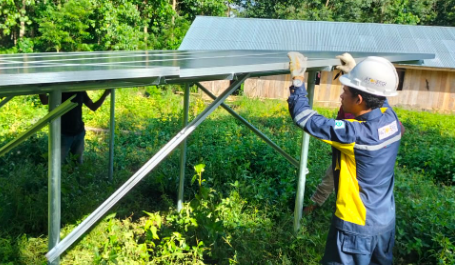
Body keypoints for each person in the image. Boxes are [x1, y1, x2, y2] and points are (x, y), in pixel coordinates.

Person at [287, 52, 402, 264]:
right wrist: (354, 71)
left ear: (359, 99)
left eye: (345, 91)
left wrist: (297, 79)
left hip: (355, 227)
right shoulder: (390, 118)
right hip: (384, 224)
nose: (341, 96)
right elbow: (379, 96)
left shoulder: (354, 134)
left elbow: (304, 117)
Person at [39, 90, 111, 164]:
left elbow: (93, 107)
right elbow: (45, 101)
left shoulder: (80, 91)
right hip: (64, 133)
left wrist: (105, 94)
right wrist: (41, 86)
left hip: (78, 132)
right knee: (57, 162)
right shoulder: (60, 91)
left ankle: (75, 174)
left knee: (77, 162)